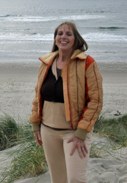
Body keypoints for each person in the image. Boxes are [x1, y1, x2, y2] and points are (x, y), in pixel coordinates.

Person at [30, 21, 103, 183]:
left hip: (74, 133)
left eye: (68, 34)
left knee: (76, 179)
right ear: (55, 39)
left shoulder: (87, 63)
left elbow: (96, 101)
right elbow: (37, 97)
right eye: (60, 33)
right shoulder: (46, 63)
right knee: (58, 179)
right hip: (48, 131)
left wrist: (82, 131)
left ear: (76, 39)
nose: (63, 37)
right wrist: (35, 124)